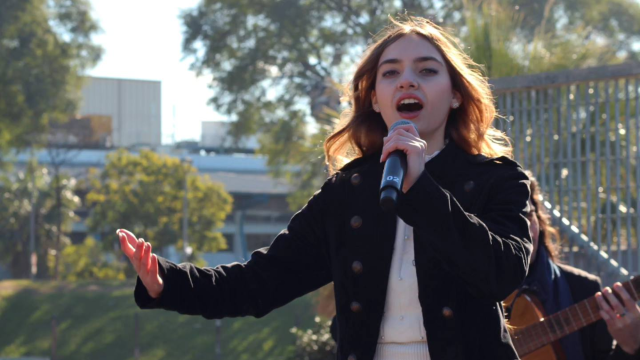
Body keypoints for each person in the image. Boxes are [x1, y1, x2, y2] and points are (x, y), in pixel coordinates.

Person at [118, 16, 533, 360]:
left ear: (456, 95)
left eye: (426, 70)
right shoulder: (348, 191)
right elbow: (261, 281)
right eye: (391, 73)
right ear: (374, 99)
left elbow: (502, 274)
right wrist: (167, 283)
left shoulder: (499, 179)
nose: (407, 81)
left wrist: (421, 188)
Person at [506, 172, 640, 360]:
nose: (523, 231)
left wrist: (630, 348)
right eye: (508, 220)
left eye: (527, 216)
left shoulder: (582, 289)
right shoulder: (461, 294)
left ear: (539, 220)